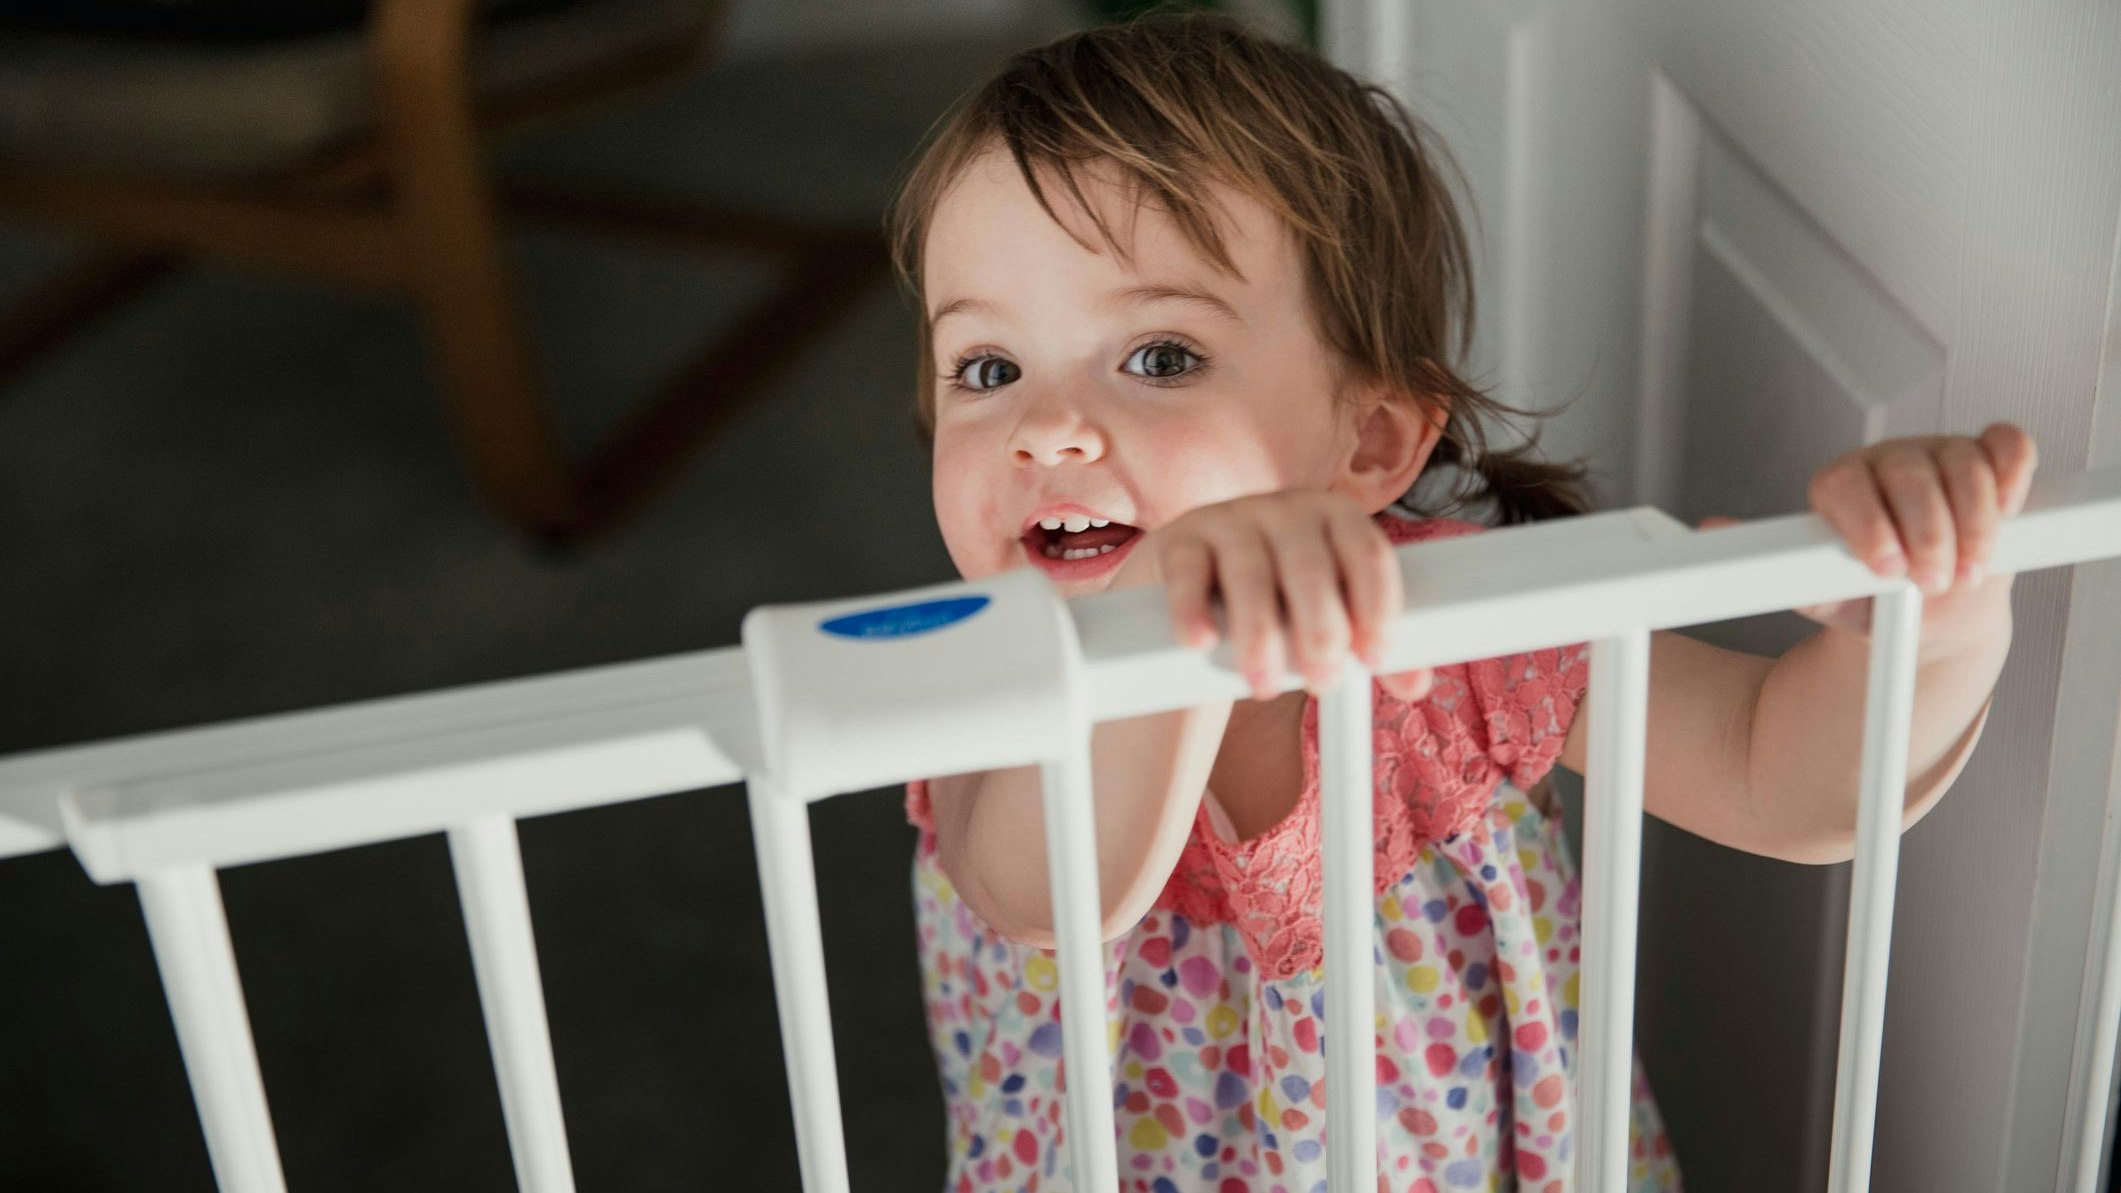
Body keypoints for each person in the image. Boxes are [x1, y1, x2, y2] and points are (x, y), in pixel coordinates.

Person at [890, 12, 2033, 1192]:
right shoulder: (984, 672)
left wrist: (1932, 623)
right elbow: (1041, 895)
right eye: (988, 369)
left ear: (1371, 440)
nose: (1043, 429)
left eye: (1161, 356)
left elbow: (1775, 770)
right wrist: (1150, 605)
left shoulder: (1454, 624)